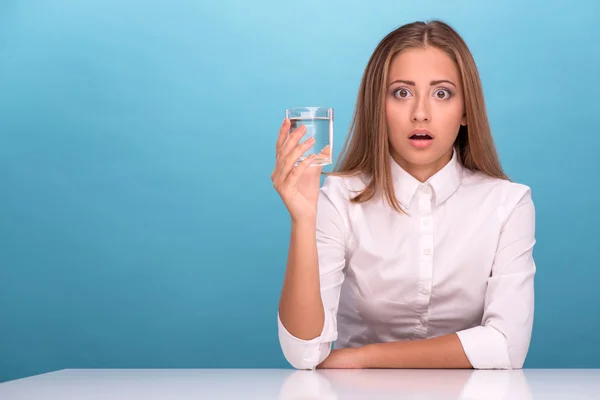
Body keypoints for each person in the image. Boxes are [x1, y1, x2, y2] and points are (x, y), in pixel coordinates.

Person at [270, 20, 536, 371]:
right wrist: (303, 218)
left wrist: (364, 358)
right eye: (401, 92)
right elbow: (304, 354)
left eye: (442, 93)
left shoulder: (507, 203)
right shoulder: (338, 198)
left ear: (466, 111)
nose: (420, 113)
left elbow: (507, 346)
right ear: (377, 107)